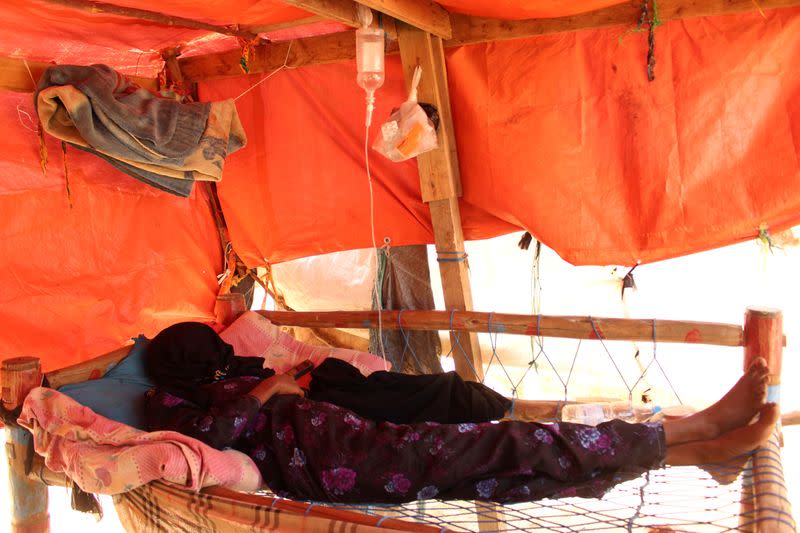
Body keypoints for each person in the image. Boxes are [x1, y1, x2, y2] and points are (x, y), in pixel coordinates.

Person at [144, 322, 777, 504]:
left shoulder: (226, 375)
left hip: (364, 440)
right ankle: (689, 433)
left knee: (509, 473)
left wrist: (280, 384)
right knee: (514, 446)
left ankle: (695, 456)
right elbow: (209, 435)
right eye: (212, 361)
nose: (225, 363)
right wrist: (266, 390)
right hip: (338, 463)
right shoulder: (166, 402)